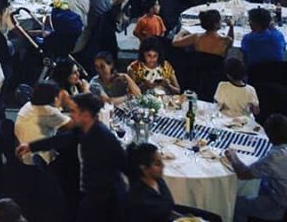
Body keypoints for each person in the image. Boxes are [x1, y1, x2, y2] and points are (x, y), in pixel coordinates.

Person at [15, 93, 126, 221]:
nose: (71, 115)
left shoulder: (104, 137)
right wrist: (31, 146)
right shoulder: (83, 129)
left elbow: (123, 164)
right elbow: (61, 139)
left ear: (85, 114)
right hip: (88, 192)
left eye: (74, 111)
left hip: (103, 198)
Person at [123, 142, 220, 222]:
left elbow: (168, 207)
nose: (163, 166)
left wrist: (186, 218)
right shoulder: (138, 198)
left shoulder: (158, 180)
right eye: (157, 164)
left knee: (215, 218)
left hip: (169, 214)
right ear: (144, 168)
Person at [14, 81, 72, 164]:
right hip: (42, 160)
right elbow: (76, 124)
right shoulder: (48, 111)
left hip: (26, 157)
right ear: (54, 97)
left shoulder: (28, 105)